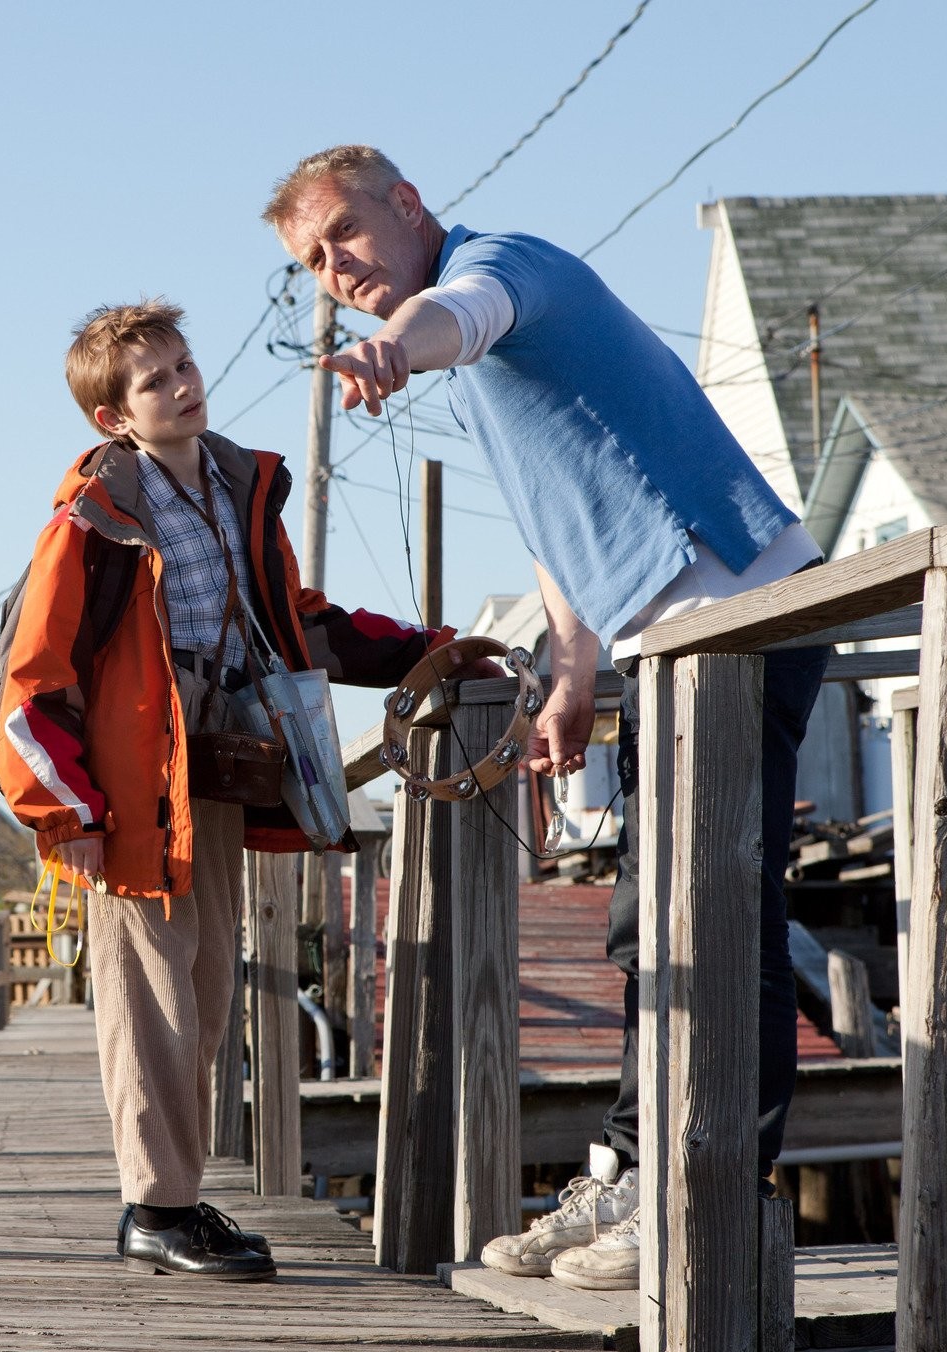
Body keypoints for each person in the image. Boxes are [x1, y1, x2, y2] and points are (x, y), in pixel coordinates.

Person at [262, 146, 830, 1292]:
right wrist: (569, 673)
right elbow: (553, 530)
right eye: (312, 263)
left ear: (406, 204)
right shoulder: (482, 362)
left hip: (741, 611)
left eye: (345, 237)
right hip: (666, 641)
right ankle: (632, 1170)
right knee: (644, 922)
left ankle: (702, 1192)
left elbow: (454, 316)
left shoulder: (503, 266)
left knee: (715, 917)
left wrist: (388, 348)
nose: (335, 270)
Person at [0, 299, 466, 1280]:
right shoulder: (91, 520)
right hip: (125, 795)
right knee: (151, 994)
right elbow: (31, 684)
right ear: (111, 417)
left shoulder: (236, 487)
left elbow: (299, 623)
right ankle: (152, 1210)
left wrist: (430, 653)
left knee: (205, 989)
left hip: (213, 771)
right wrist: (66, 812)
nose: (182, 384)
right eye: (155, 379)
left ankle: (173, 1196)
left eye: (183, 364)